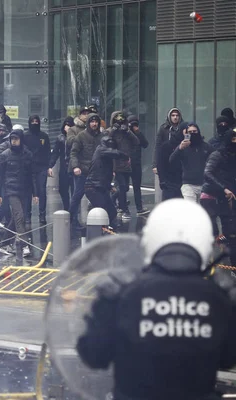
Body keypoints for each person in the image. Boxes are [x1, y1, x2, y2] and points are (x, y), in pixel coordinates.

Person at [77, 198, 236, 400]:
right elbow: (228, 358)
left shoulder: (123, 293)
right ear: (205, 244)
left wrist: (102, 309)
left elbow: (94, 355)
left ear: (149, 240)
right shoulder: (218, 298)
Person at [0, 129, 38, 258]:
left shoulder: (27, 154)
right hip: (11, 190)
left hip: (24, 190)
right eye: (12, 139)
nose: (14, 141)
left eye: (16, 139)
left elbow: (32, 175)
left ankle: (4, 243)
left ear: (21, 139)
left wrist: (35, 193)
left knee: (15, 219)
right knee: (19, 216)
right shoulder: (5, 155)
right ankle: (24, 245)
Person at [201, 128, 236, 265]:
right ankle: (210, 261)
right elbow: (207, 173)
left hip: (228, 197)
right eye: (233, 139)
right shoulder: (217, 154)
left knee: (230, 231)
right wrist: (224, 188)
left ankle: (231, 264)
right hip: (211, 196)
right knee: (213, 231)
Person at [84, 136, 130, 229]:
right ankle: (100, 231)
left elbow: (104, 173)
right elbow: (115, 153)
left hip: (99, 187)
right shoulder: (101, 150)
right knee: (103, 210)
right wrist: (125, 156)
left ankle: (108, 229)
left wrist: (109, 186)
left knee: (111, 211)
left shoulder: (105, 155)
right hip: (93, 187)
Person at [69, 113, 104, 228]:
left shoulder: (101, 136)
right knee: (77, 195)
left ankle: (101, 220)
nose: (94, 124)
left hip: (97, 172)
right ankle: (71, 220)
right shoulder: (81, 136)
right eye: (92, 122)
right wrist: (75, 167)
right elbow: (74, 153)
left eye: (96, 122)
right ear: (88, 123)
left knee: (100, 195)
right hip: (83, 171)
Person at [169, 122, 212, 203]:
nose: (193, 133)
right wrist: (179, 148)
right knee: (191, 210)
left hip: (204, 184)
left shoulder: (205, 146)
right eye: (190, 132)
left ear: (198, 131)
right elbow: (171, 160)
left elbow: (214, 159)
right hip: (188, 184)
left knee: (202, 211)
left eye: (194, 131)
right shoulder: (183, 146)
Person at [107, 112, 139, 221]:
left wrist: (128, 131)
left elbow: (136, 142)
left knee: (124, 188)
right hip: (116, 163)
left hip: (126, 163)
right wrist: (113, 130)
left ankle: (113, 202)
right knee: (121, 185)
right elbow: (105, 141)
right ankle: (123, 208)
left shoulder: (126, 133)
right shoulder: (111, 132)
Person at [23, 115, 50, 224]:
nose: (35, 123)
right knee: (28, 192)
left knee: (42, 190)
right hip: (29, 167)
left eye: (36, 121)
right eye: (32, 121)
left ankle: (42, 215)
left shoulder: (44, 136)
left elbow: (48, 151)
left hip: (41, 167)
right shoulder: (25, 136)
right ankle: (27, 216)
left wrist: (49, 166)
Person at [49, 117, 74, 211]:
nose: (67, 127)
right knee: (63, 189)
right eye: (66, 125)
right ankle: (67, 207)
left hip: (74, 166)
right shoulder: (60, 138)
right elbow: (55, 153)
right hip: (64, 167)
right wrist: (50, 165)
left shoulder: (77, 137)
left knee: (75, 190)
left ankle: (73, 210)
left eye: (69, 125)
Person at [126, 115, 150, 216]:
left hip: (136, 163)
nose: (134, 126)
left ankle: (139, 208)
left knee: (137, 187)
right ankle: (122, 207)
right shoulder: (125, 133)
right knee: (123, 187)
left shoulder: (138, 134)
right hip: (125, 163)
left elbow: (145, 144)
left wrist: (138, 132)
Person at [153, 107, 182, 175]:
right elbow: (157, 147)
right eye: (173, 115)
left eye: (177, 115)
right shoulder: (163, 128)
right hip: (165, 160)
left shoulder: (183, 128)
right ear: (169, 116)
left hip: (180, 161)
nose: (175, 117)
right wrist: (155, 164)